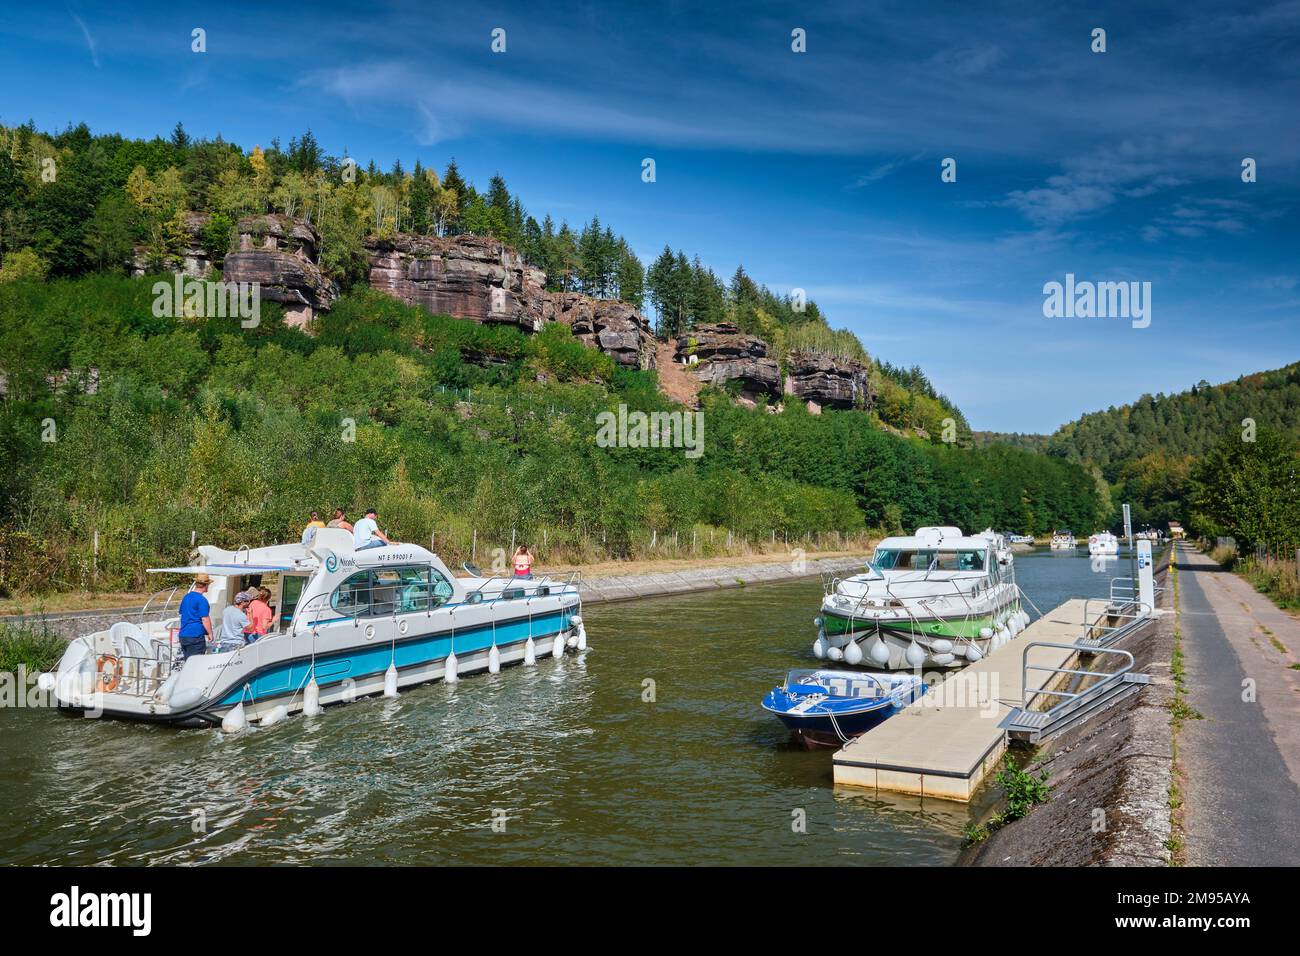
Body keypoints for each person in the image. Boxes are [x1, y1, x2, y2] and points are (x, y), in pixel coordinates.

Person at [177, 573, 213, 658]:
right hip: (195, 636)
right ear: (206, 585)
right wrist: (210, 633)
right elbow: (205, 618)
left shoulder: (186, 597)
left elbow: (181, 613)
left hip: (183, 635)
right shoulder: (201, 600)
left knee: (188, 662)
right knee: (196, 663)